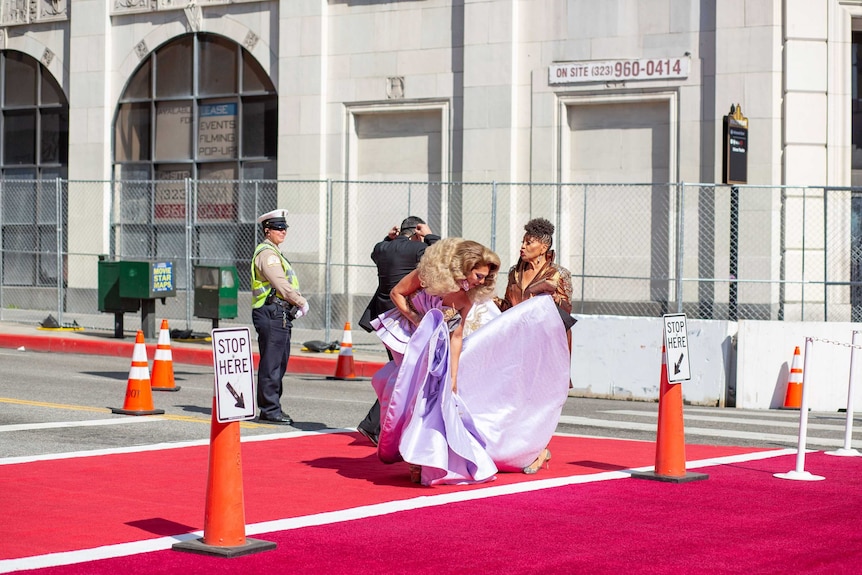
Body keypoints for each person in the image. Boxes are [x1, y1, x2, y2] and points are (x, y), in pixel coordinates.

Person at [371, 238, 571, 485]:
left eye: (485, 278)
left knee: (433, 400)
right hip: (410, 339)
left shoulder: (465, 299)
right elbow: (397, 293)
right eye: (479, 275)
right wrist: (418, 320)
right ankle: (413, 455)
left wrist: (453, 377)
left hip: (438, 348)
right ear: (464, 266)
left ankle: (422, 460)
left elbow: (456, 337)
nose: (481, 282)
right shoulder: (427, 276)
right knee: (409, 394)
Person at [495, 217, 576, 472]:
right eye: (523, 241)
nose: (523, 246)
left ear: (543, 247)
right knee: (515, 399)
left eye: (529, 242)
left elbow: (563, 313)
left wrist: (540, 293)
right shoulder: (514, 272)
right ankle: (522, 448)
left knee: (538, 401)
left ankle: (540, 450)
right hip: (517, 345)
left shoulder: (558, 274)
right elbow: (508, 308)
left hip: (545, 347)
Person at [356, 217, 440, 446]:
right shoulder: (418, 248)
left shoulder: (382, 248)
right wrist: (430, 235)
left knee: (400, 371)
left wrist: (388, 238)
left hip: (384, 320)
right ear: (416, 232)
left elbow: (377, 252)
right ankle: (374, 425)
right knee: (405, 373)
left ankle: (377, 425)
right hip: (404, 318)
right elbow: (443, 255)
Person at [251, 209, 309, 425]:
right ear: (267, 231)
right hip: (271, 312)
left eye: (285, 228)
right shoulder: (267, 254)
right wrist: (300, 301)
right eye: (278, 228)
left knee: (278, 362)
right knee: (272, 363)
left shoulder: (273, 252)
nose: (283, 231)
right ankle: (269, 409)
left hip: (278, 313)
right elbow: (281, 284)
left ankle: (272, 407)